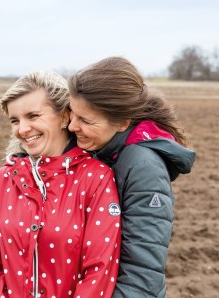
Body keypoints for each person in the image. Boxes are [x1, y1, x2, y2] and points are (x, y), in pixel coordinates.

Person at [0, 71, 122, 298]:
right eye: (15, 120)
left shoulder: (95, 178)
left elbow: (99, 270)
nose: (22, 129)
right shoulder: (2, 180)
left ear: (63, 117)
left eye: (33, 116)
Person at [67, 57, 196, 298]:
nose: (73, 126)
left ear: (122, 122)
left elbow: (142, 270)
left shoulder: (142, 166)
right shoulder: (102, 150)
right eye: (72, 114)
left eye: (85, 120)